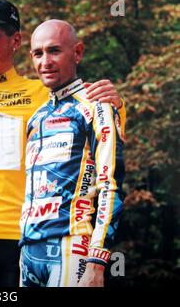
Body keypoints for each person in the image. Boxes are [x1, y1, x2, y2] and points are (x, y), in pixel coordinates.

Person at [0, 0, 126, 287]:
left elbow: (106, 144)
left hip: (20, 239)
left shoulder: (43, 92)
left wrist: (117, 104)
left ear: (15, 41)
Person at [19, 19, 124, 287]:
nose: (45, 62)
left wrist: (97, 261)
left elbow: (110, 187)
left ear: (77, 52)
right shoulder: (37, 116)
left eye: (54, 51)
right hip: (28, 249)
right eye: (38, 53)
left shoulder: (97, 106)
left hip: (71, 245)